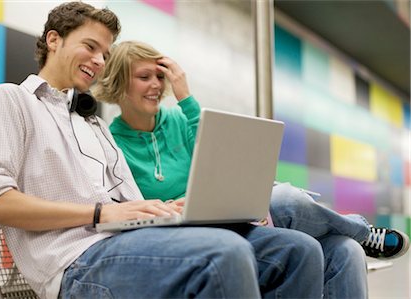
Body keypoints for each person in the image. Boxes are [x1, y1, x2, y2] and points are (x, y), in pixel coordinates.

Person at [0, 3, 330, 299]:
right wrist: (101, 213)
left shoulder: (92, 125)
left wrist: (168, 209)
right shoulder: (10, 99)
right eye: (90, 47)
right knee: (224, 253)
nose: (98, 61)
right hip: (77, 263)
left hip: (134, 240)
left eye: (105, 54)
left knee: (298, 251)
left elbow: (130, 202)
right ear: (54, 40)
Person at [93, 40, 410, 298]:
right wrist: (168, 207)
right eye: (144, 77)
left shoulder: (179, 119)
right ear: (120, 82)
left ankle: (357, 237)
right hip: (187, 230)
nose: (156, 85)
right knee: (289, 200)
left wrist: (185, 95)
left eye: (160, 76)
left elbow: (219, 158)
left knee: (345, 250)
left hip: (229, 213)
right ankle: (363, 231)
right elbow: (130, 206)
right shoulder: (111, 141)